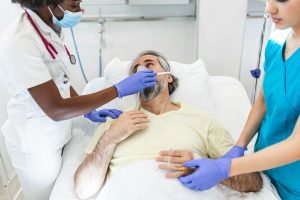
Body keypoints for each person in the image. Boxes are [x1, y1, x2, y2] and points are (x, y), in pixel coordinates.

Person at [0, 1, 157, 199]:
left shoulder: (51, 25)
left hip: (58, 130)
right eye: (74, 5)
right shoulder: (20, 41)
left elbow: (59, 81)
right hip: (36, 143)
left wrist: (86, 110)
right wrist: (118, 89)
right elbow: (55, 108)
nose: (81, 9)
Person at [73, 50, 263, 200]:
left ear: (168, 77)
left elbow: (252, 181)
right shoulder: (115, 123)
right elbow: (83, 190)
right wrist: (109, 139)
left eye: (149, 65)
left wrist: (201, 167)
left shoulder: (202, 120)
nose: (141, 71)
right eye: (135, 71)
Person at [177, 0, 300, 199]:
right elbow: (262, 101)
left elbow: (297, 145)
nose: (269, 9)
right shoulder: (277, 43)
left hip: (295, 182)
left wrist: (225, 168)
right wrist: (240, 145)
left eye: (282, 0)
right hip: (263, 164)